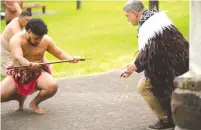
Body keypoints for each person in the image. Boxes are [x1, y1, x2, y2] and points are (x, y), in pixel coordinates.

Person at [120, 0, 189, 130]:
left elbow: (150, 51)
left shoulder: (149, 25)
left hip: (169, 68)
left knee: (144, 87)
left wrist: (135, 66)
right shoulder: (155, 19)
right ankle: (172, 118)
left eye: (127, 16)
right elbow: (149, 50)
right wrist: (134, 65)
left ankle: (167, 120)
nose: (127, 20)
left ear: (134, 14)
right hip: (179, 63)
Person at [0, 18, 83, 115]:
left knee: (52, 85)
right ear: (29, 31)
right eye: (36, 38)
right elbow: (18, 57)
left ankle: (34, 103)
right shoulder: (16, 39)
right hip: (18, 74)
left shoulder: (46, 40)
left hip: (37, 73)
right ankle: (19, 96)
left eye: (41, 38)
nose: (38, 41)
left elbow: (59, 53)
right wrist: (29, 64)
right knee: (1, 95)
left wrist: (71, 59)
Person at [0, 11, 32, 77]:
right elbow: (22, 41)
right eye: (26, 20)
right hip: (4, 50)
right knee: (8, 73)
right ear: (20, 18)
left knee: (16, 70)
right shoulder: (14, 27)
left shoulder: (21, 21)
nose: (28, 22)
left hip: (12, 50)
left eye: (29, 20)